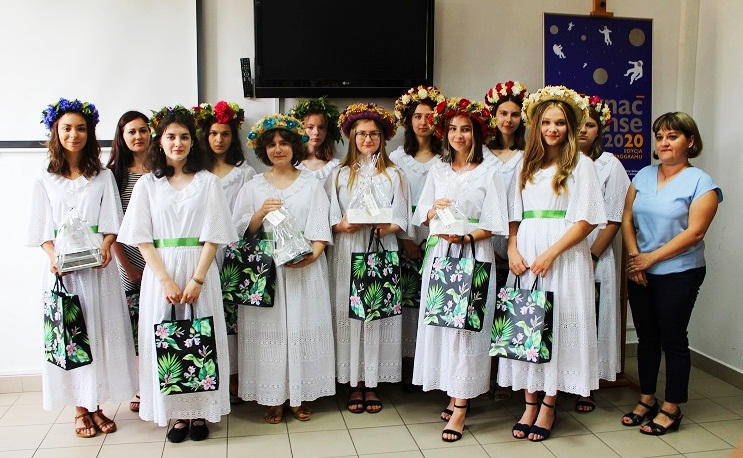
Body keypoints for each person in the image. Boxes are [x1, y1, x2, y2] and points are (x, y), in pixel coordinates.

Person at [118, 106, 238, 443]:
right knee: (167, 341)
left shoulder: (208, 182)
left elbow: (214, 235)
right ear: (160, 141)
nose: (178, 143)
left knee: (201, 339)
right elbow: (142, 238)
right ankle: (176, 414)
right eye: (171, 136)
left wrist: (197, 279)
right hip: (162, 273)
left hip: (200, 268)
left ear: (192, 142)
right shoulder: (147, 184)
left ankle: (199, 411)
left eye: (184, 137)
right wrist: (166, 281)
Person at [497, 86, 607, 441]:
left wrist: (551, 253)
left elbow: (586, 221)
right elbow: (513, 214)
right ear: (536, 125)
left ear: (570, 126)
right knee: (526, 323)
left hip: (563, 254)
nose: (552, 129)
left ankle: (548, 404)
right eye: (546, 122)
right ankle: (529, 402)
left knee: (556, 324)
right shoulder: (525, 164)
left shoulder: (582, 165)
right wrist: (513, 248)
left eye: (560, 123)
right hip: (526, 252)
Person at [28, 98, 137, 438]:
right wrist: (53, 257)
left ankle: (96, 405)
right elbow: (41, 228)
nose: (73, 135)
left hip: (97, 271)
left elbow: (113, 221)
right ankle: (79, 409)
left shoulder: (101, 176)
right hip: (63, 272)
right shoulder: (45, 178)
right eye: (67, 129)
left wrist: (105, 247)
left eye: (80, 129)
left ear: (89, 133)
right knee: (72, 336)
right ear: (56, 132)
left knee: (98, 334)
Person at [412, 97, 507, 442]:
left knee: (467, 329)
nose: (458, 135)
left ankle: (462, 404)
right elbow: (421, 213)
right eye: (452, 129)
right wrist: (433, 209)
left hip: (474, 253)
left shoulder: (490, 171)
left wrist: (467, 236)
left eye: (465, 129)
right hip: (441, 254)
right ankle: (453, 392)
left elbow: (495, 222)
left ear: (477, 133)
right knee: (444, 326)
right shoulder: (438, 169)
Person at [621, 112, 722, 435]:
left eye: (673, 136)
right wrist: (636, 259)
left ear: (690, 142)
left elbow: (695, 232)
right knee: (647, 338)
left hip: (679, 272)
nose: (664, 143)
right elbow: (627, 218)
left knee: (673, 339)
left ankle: (672, 407)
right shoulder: (643, 176)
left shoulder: (701, 182)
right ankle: (647, 398)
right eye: (660, 136)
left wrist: (649, 259)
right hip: (641, 270)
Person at [233, 114, 336, 423]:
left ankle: (299, 394)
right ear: (264, 150)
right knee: (271, 333)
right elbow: (239, 231)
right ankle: (273, 396)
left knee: (302, 328)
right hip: (267, 272)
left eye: (284, 143)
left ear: (295, 146)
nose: (278, 150)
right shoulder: (252, 186)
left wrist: (313, 256)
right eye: (272, 145)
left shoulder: (311, 184)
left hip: (304, 267)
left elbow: (321, 226)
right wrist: (259, 214)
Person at [328, 103, 408, 414]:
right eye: (361, 133)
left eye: (374, 134)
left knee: (376, 312)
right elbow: (328, 217)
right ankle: (354, 382)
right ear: (352, 137)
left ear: (383, 138)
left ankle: (372, 382)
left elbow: (402, 217)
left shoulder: (394, 175)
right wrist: (342, 225)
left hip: (380, 247)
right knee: (349, 314)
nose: (367, 139)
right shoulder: (339, 174)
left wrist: (386, 227)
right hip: (348, 249)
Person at [195, 101, 256, 404]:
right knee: (205, 311)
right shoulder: (196, 172)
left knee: (233, 316)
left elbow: (246, 214)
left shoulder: (244, 173)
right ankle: (207, 375)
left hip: (233, 251)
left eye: (225, 134)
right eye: (214, 134)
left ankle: (234, 376)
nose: (219, 140)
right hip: (203, 251)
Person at [575, 96, 630, 412]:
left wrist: (592, 255)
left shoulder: (610, 165)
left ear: (600, 130)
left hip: (596, 253)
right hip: (565, 252)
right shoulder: (561, 162)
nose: (583, 130)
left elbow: (614, 217)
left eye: (591, 125)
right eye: (579, 124)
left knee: (593, 318)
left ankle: (587, 386)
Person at [390, 85, 445, 390]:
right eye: (418, 116)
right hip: (405, 234)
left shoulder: (445, 158)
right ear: (408, 121)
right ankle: (406, 362)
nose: (424, 122)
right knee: (406, 298)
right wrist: (407, 239)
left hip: (436, 233)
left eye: (429, 116)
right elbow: (392, 202)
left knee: (431, 299)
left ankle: (430, 364)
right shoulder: (397, 158)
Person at [482, 80, 530, 402]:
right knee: (485, 307)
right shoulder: (482, 153)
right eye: (503, 113)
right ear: (494, 116)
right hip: (485, 237)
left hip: (518, 238)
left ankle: (507, 378)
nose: (508, 120)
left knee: (510, 308)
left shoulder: (528, 154)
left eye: (514, 114)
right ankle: (483, 376)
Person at [106, 110, 151, 412]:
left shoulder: (162, 169)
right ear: (122, 137)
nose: (138, 136)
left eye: (143, 130)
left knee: (159, 323)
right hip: (127, 261)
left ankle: (162, 384)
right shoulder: (114, 174)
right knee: (135, 329)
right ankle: (140, 388)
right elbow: (112, 225)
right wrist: (129, 266)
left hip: (160, 260)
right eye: (131, 132)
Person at [288, 97, 342, 180]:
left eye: (321, 127)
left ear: (327, 131)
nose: (316, 132)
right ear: (301, 130)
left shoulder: (335, 166)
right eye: (310, 127)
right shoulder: (293, 165)